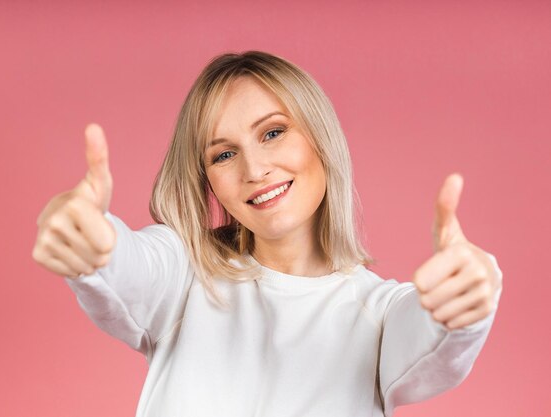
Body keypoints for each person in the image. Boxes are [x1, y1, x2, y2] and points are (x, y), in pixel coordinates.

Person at [32, 51, 503, 416]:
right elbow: (127, 261)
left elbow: (430, 336)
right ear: (207, 181)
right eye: (223, 155)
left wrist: (469, 293)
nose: (255, 168)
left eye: (273, 132)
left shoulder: (380, 317)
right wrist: (87, 232)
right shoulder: (184, 275)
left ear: (320, 137)